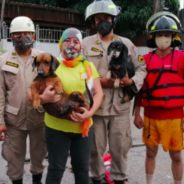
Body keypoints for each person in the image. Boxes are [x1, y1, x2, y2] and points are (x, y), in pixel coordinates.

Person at [82, 0, 147, 184]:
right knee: (95, 149)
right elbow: (79, 71)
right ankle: (97, 178)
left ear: (113, 20)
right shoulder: (85, 44)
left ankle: (119, 179)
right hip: (97, 107)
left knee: (120, 148)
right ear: (93, 22)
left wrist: (131, 81)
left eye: (106, 18)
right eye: (98, 18)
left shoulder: (126, 43)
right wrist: (97, 83)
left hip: (121, 107)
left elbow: (142, 67)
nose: (102, 21)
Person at [40, 27, 103, 184]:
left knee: (82, 170)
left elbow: (99, 93)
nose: (72, 44)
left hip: (82, 128)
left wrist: (89, 113)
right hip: (56, 128)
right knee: (56, 169)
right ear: (60, 45)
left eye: (76, 41)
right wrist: (43, 98)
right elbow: (36, 92)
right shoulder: (52, 65)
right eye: (67, 40)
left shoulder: (87, 66)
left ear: (81, 46)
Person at [134, 11, 184, 184]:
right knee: (150, 153)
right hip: (151, 117)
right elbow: (139, 89)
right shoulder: (145, 59)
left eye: (167, 35)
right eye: (160, 35)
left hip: (175, 117)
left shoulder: (181, 58)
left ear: (173, 37)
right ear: (153, 37)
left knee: (176, 155)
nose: (163, 38)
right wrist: (136, 113)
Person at [0, 16, 47, 184]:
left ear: (34, 36)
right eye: (17, 34)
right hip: (13, 120)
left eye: (27, 33)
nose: (22, 37)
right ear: (11, 37)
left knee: (39, 154)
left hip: (39, 117)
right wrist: (0, 122)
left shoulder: (42, 58)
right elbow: (0, 94)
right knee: (14, 157)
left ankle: (37, 180)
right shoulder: (3, 61)